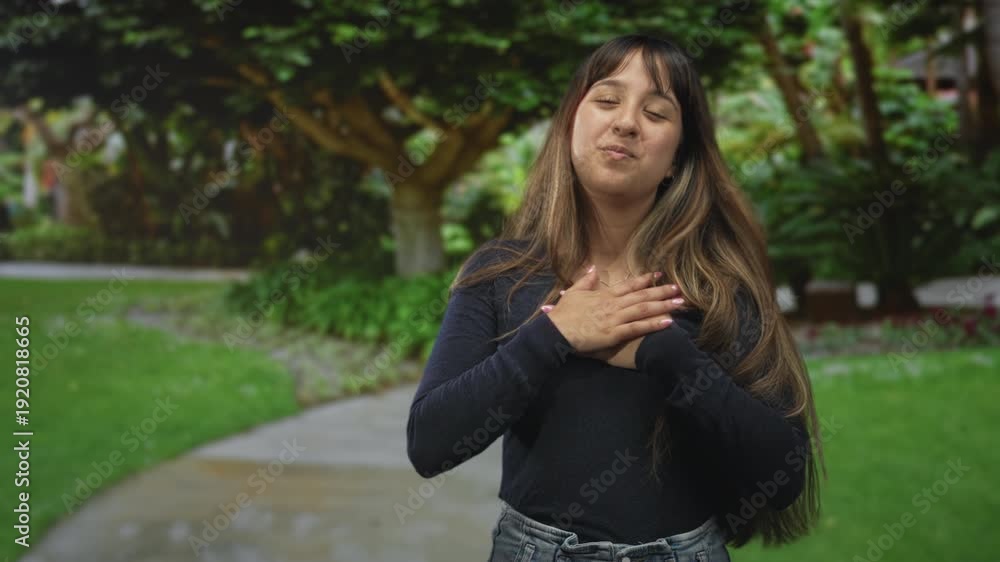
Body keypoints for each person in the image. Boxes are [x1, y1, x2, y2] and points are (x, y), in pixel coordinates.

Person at [406, 34, 826, 562]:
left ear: (676, 159)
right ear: (570, 124)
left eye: (656, 113)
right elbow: (430, 444)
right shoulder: (501, 274)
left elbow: (785, 475)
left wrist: (664, 353)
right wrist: (553, 335)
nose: (626, 122)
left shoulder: (719, 284)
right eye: (607, 100)